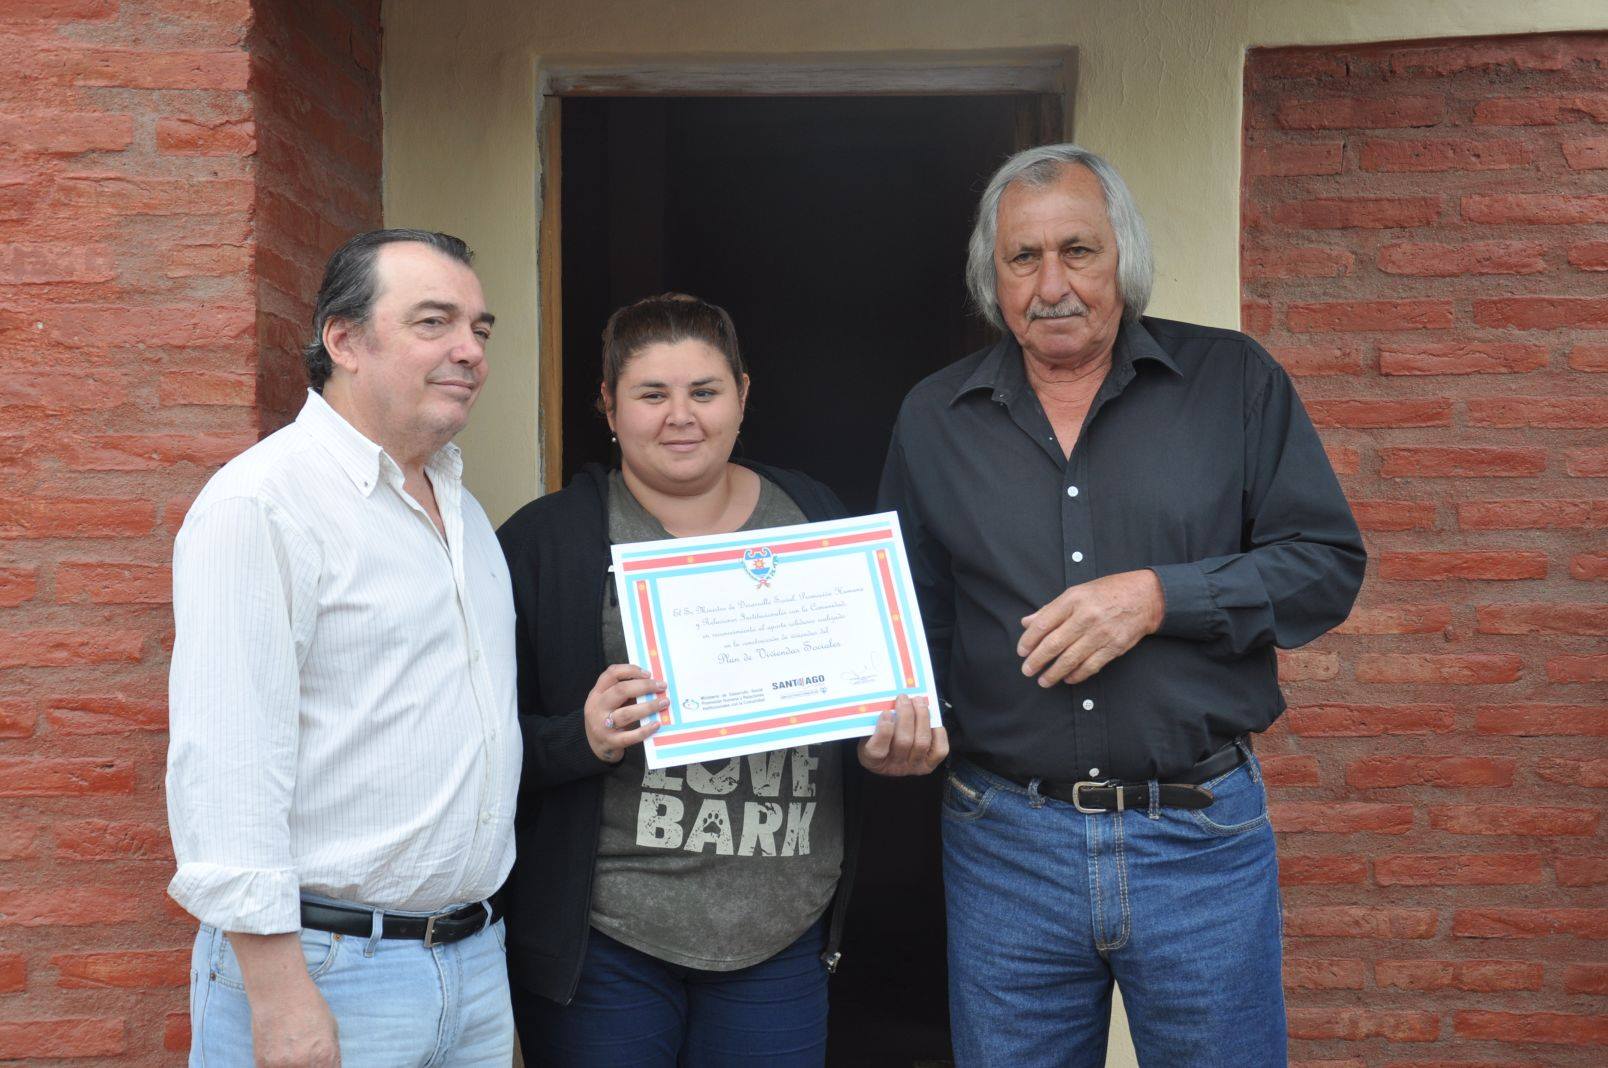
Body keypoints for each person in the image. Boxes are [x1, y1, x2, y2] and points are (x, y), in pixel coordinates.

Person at [878, 144, 1366, 1067]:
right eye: (1024, 258)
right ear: (992, 276)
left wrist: (1157, 597)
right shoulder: (933, 417)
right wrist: (898, 717)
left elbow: (1325, 566)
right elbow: (915, 618)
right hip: (1006, 845)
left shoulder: (1233, 381)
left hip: (1199, 839)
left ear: (1124, 258)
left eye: (1079, 251)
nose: (1052, 285)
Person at [497, 293, 947, 1066]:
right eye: (651, 394)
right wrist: (583, 736)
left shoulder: (812, 516)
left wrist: (892, 740)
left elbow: (871, 695)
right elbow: (481, 749)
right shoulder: (549, 541)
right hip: (608, 939)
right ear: (609, 405)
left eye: (704, 391)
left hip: (781, 929)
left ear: (741, 395)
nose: (681, 416)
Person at [166, 229, 519, 1067]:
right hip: (325, 971)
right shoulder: (264, 503)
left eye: (479, 329)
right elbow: (226, 765)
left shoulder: (461, 507)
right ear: (345, 340)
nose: (469, 350)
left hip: (470, 962)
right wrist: (279, 993)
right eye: (434, 322)